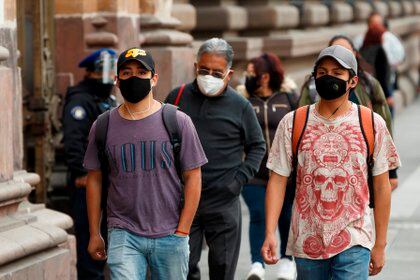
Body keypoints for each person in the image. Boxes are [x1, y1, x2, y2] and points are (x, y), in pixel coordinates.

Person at [262, 45, 401, 279]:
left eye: (337, 73)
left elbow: (381, 185)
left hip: (355, 239)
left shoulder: (371, 123)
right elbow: (277, 180)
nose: (329, 78)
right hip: (307, 241)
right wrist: (269, 232)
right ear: (314, 77)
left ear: (353, 81)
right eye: (323, 72)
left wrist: (380, 244)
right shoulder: (293, 122)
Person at [83, 47, 208, 280]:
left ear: (154, 79)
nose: (134, 78)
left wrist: (183, 230)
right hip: (123, 233)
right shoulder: (102, 126)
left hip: (171, 233)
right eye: (127, 73)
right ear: (117, 80)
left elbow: (193, 176)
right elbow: (95, 180)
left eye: (142, 72)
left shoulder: (177, 121)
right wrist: (94, 232)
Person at [165, 38, 266, 280]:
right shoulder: (177, 97)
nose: (209, 76)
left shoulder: (240, 105)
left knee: (222, 267)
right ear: (195, 66)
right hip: (182, 200)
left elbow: (257, 146)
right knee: (184, 267)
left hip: (223, 201)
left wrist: (237, 181)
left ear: (229, 74)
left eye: (216, 72)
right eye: (204, 70)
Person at [299, 35, 399, 190]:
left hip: (360, 162)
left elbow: (384, 123)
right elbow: (301, 121)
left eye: (345, 51)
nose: (330, 77)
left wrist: (391, 171)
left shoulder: (369, 84)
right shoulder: (312, 87)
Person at [241, 53, 298, 280]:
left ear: (264, 77)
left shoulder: (288, 98)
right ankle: (257, 263)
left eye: (251, 73)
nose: (247, 77)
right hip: (253, 172)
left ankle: (287, 261)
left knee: (285, 216)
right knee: (257, 214)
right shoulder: (244, 101)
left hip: (286, 173)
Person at [62, 48, 117, 280]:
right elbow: (74, 141)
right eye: (104, 73)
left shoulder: (107, 99)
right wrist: (81, 172)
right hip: (88, 182)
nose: (109, 79)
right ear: (92, 74)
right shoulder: (80, 101)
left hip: (109, 182)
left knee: (106, 242)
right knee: (90, 243)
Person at [354, 12, 405, 116]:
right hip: (378, 85)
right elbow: (382, 72)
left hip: (366, 84)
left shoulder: (364, 48)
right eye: (373, 23)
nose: (375, 26)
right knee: (385, 113)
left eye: (378, 23)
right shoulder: (364, 43)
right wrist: (388, 95)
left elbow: (399, 56)